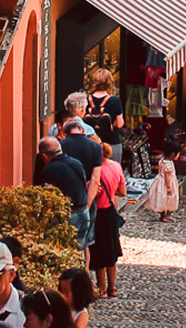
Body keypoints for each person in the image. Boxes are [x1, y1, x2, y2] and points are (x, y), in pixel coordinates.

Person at [33, 133, 92, 252]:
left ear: (44, 156)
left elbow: (48, 199)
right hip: (84, 211)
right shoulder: (77, 163)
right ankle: (82, 270)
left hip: (69, 215)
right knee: (80, 250)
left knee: (65, 251)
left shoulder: (50, 170)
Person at [87, 142, 126, 299]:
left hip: (98, 212)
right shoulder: (116, 166)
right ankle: (112, 288)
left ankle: (101, 288)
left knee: (99, 252)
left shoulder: (95, 170)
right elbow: (122, 191)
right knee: (111, 251)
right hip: (111, 211)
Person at [57, 96, 103, 189]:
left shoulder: (55, 127)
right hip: (85, 184)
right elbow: (95, 178)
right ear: (82, 109)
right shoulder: (88, 130)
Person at [57, 264, 95, 328]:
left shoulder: (81, 314)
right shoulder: (58, 308)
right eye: (61, 292)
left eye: (66, 292)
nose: (62, 296)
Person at [143, 146, 181, 224]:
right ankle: (168, 215)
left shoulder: (162, 160)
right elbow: (167, 176)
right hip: (168, 182)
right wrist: (169, 187)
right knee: (170, 198)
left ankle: (162, 215)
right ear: (173, 154)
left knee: (162, 198)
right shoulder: (169, 164)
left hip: (160, 181)